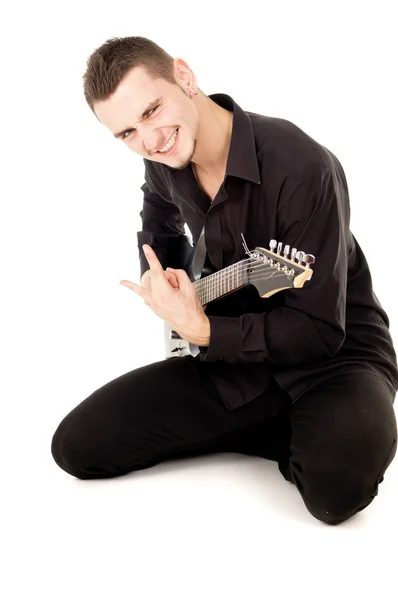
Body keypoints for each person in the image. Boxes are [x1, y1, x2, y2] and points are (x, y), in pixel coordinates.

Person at [51, 36, 398, 525]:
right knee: (77, 447)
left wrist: (208, 334)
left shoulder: (302, 169)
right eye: (127, 133)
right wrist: (163, 279)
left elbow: (321, 330)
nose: (150, 140)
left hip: (334, 359)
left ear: (185, 78)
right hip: (235, 361)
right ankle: (289, 430)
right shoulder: (163, 159)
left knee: (336, 493)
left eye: (152, 111)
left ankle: (314, 430)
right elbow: (158, 218)